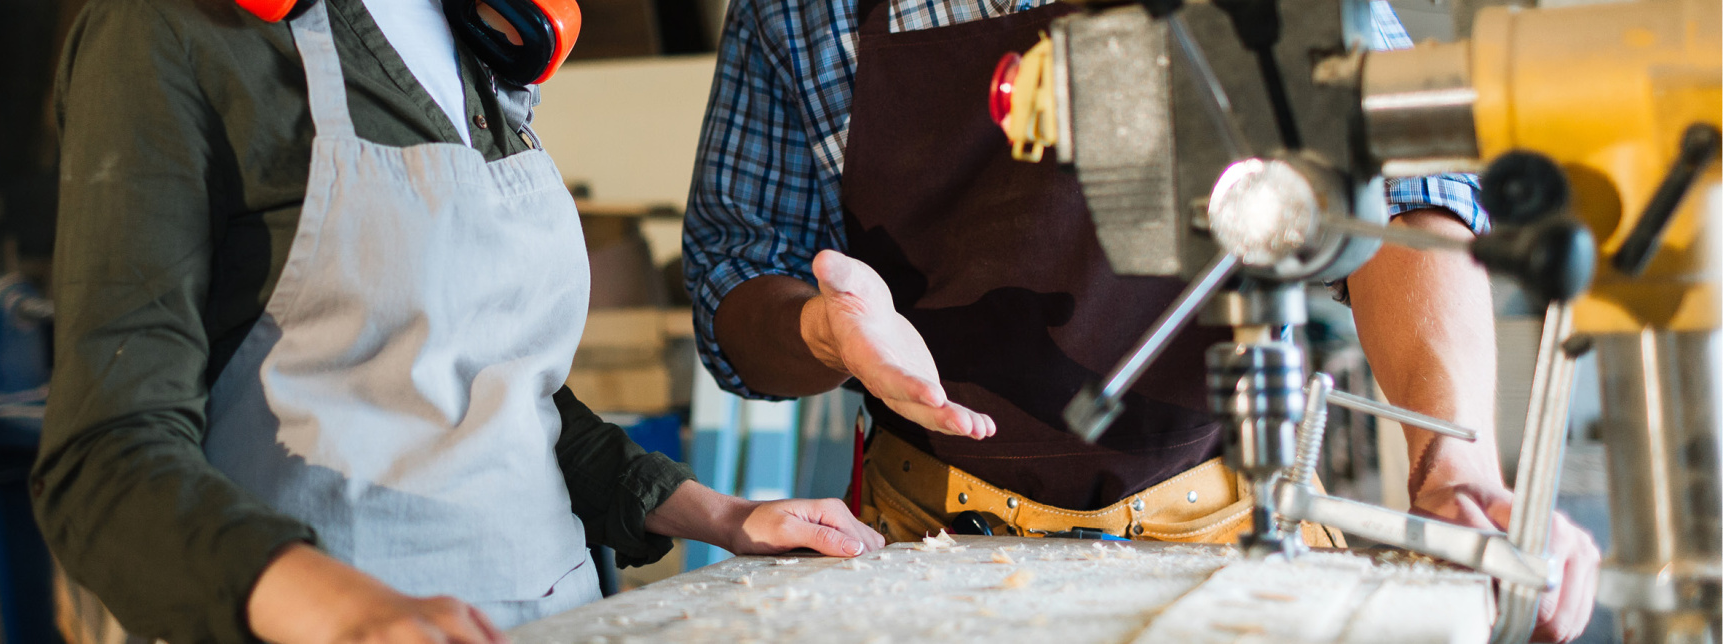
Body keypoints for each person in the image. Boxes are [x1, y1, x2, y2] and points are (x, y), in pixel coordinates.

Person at [683, 0, 1599, 640]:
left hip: (1231, 521)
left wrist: (1454, 467)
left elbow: (1403, 194)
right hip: (922, 539)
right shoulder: (800, 11)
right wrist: (826, 331)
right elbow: (735, 273)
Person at [32, 0, 886, 642]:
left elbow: (496, 393)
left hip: (559, 614)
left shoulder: (483, 36)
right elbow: (103, 461)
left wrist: (717, 516)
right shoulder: (171, 35)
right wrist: (349, 612)